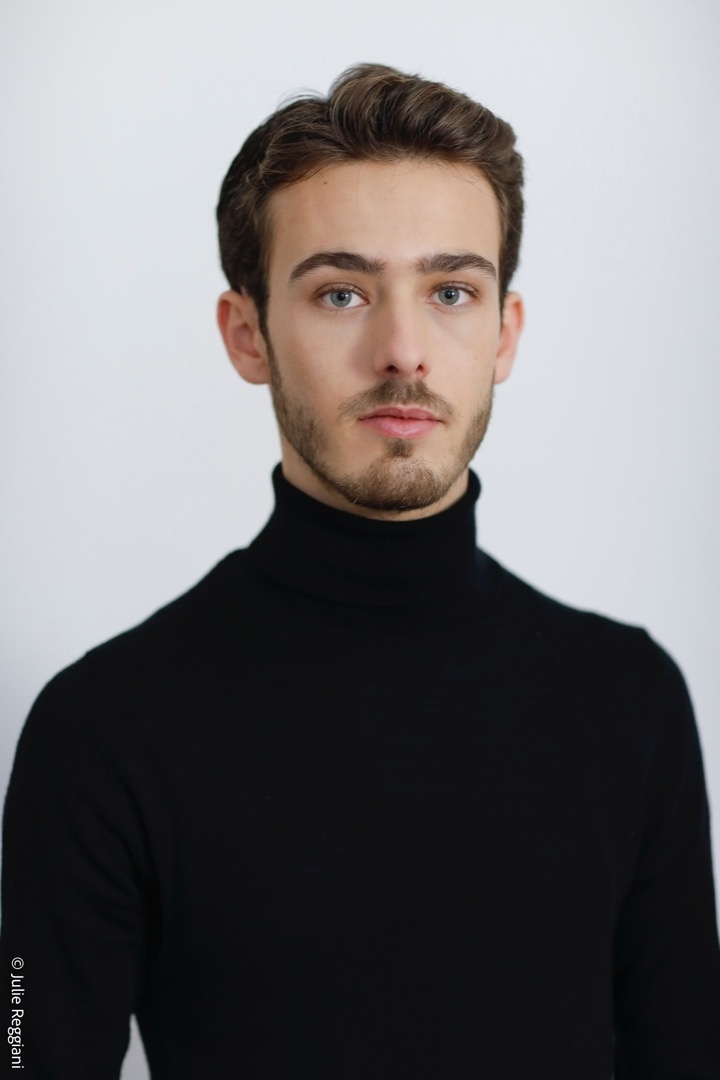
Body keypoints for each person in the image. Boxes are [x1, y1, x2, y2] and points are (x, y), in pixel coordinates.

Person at [1, 62, 719, 1080]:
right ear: (247, 334)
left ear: (504, 333)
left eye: (451, 291)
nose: (403, 350)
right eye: (341, 293)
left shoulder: (630, 702)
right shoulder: (104, 731)